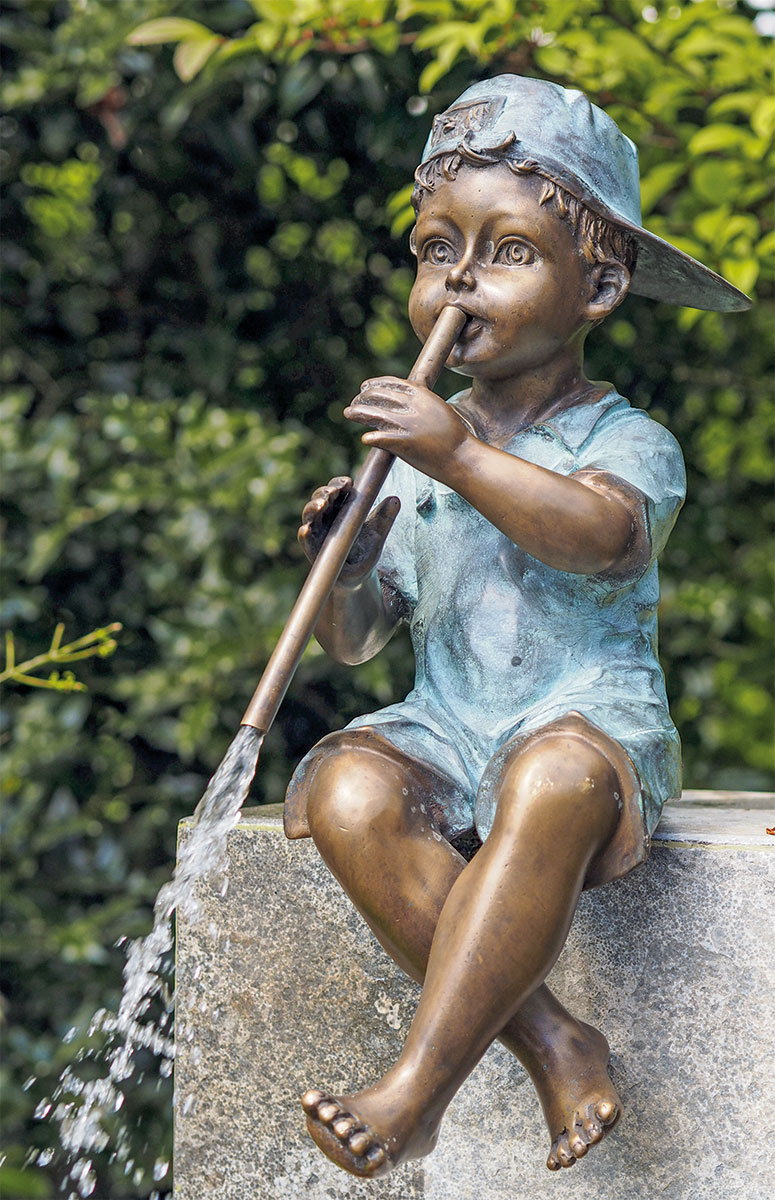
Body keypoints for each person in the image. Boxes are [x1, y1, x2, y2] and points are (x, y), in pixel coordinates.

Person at [282, 76, 749, 1178]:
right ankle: (551, 1039)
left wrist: (453, 453)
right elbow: (354, 640)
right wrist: (346, 562)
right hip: (448, 718)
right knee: (348, 791)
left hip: (583, 715)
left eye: (505, 252)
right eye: (435, 248)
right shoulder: (417, 453)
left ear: (598, 283)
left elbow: (596, 537)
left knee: (551, 783)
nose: (458, 279)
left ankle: (414, 1093)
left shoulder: (624, 438)